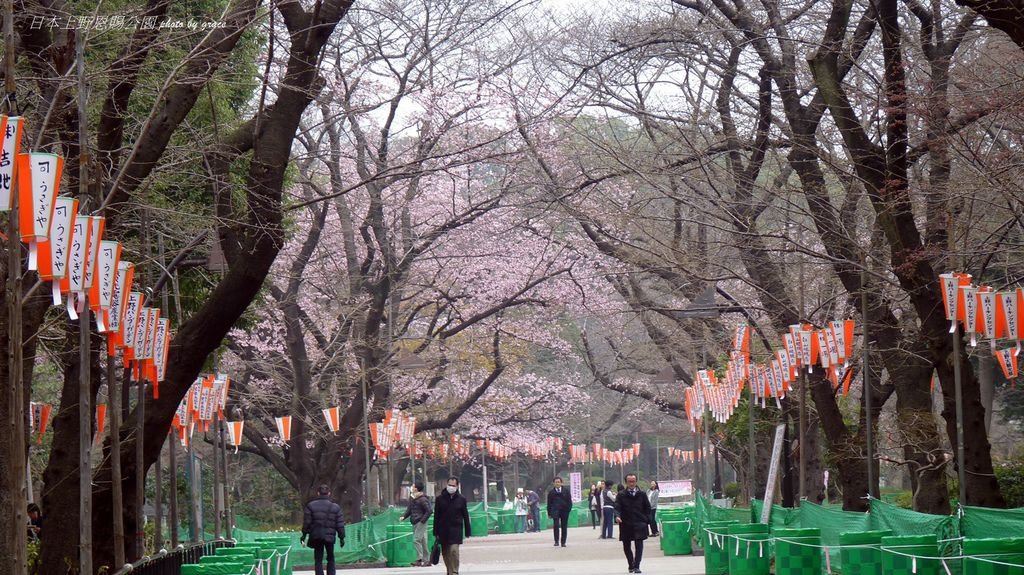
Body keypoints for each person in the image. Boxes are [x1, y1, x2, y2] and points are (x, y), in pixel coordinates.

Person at [301, 484, 346, 575]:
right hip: (330, 536)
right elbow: (340, 524)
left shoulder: (310, 506)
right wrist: (342, 537)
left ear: (318, 493)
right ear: (329, 493)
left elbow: (307, 522)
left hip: (316, 535)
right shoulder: (335, 507)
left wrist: (304, 535)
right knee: (330, 557)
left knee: (318, 559)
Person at [615, 474, 654, 574]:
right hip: (625, 523)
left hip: (639, 523)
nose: (632, 483)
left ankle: (637, 565)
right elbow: (617, 507)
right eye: (629, 481)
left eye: (633, 481)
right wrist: (617, 516)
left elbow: (648, 508)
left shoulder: (642, 494)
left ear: (636, 481)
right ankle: (630, 564)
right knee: (626, 546)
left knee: (639, 545)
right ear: (626, 482)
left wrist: (647, 520)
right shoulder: (621, 495)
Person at [434, 476, 472, 575]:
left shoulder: (462, 499)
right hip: (443, 530)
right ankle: (449, 571)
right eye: (449, 485)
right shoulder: (440, 499)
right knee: (446, 553)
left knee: (454, 551)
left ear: (457, 486)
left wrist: (468, 530)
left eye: (453, 485)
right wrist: (435, 531)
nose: (451, 487)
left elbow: (465, 515)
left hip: (456, 530)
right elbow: (436, 516)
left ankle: (454, 572)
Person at [400, 481, 433, 567]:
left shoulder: (423, 499)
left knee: (416, 539)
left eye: (413, 486)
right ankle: (427, 560)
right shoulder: (413, 498)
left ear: (416, 488)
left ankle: (419, 559)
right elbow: (409, 509)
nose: (412, 487)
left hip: (420, 522)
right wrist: (404, 516)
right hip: (414, 521)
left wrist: (422, 520)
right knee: (422, 541)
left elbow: (429, 510)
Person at [547, 476, 573, 547]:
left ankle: (563, 542)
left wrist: (568, 509)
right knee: (556, 525)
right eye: (556, 482)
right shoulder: (551, 492)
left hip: (564, 511)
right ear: (554, 483)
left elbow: (569, 501)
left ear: (561, 483)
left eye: (559, 482)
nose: (557, 483)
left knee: (564, 526)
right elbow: (549, 503)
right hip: (555, 511)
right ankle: (556, 541)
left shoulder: (566, 491)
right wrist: (549, 513)